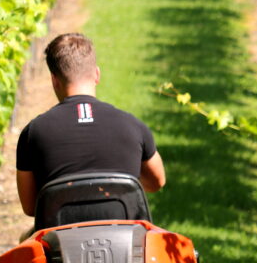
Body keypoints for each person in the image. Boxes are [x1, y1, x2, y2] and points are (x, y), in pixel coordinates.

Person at [16, 33, 166, 217]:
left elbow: (31, 207)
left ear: (54, 81)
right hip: (126, 238)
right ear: (96, 74)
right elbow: (157, 181)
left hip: (60, 242)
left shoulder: (33, 133)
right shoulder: (132, 125)